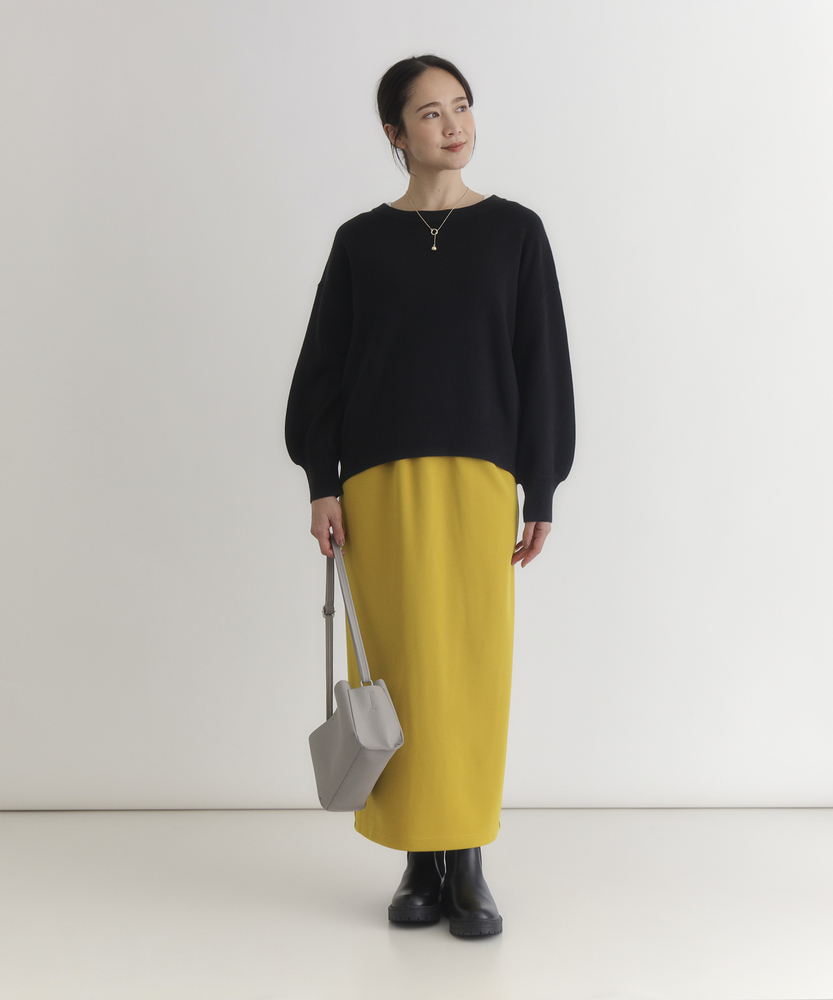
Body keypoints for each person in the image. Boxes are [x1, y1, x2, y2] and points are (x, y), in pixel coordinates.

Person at [284, 54, 576, 937]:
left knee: (471, 672)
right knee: (399, 674)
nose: (453, 125)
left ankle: (467, 856)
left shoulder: (516, 232)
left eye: (461, 107)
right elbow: (323, 367)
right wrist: (322, 482)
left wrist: (541, 484)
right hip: (377, 487)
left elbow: (542, 363)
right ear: (394, 133)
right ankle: (417, 860)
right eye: (429, 113)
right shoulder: (360, 241)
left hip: (480, 481)